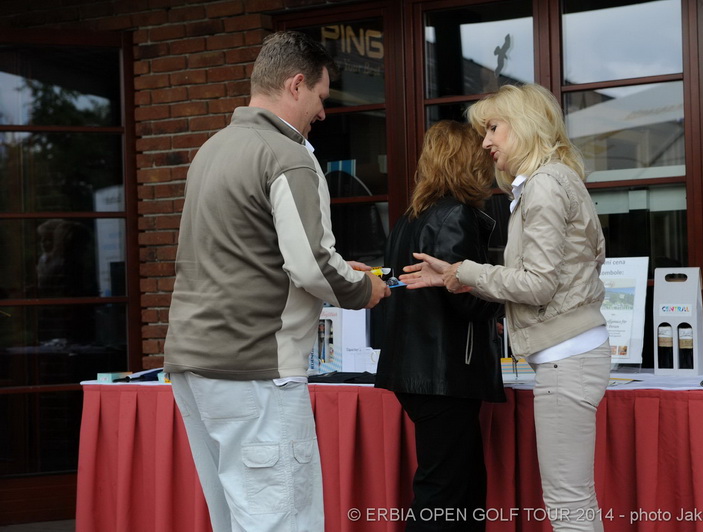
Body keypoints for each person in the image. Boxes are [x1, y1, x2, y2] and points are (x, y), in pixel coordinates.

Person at [163, 30, 390, 532]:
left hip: (193, 363)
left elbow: (252, 255)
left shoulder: (211, 149)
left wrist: (337, 270)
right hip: (256, 366)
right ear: (295, 85)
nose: (322, 112)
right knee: (283, 520)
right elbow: (310, 264)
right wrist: (362, 289)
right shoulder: (288, 154)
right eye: (321, 97)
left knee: (234, 518)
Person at [400, 84, 611, 532]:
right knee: (573, 498)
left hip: (567, 356)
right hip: (569, 353)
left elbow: (538, 284)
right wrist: (458, 275)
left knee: (568, 502)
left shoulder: (544, 184)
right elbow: (573, 267)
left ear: (525, 125)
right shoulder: (553, 180)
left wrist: (465, 272)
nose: (485, 142)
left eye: (493, 128)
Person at [375, 120, 505, 531]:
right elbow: (463, 295)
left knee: (456, 486)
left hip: (418, 368)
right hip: (444, 372)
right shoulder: (456, 215)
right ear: (469, 163)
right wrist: (504, 299)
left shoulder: (410, 217)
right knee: (446, 491)